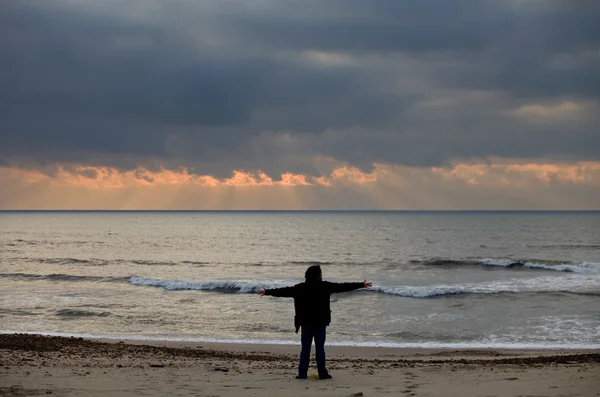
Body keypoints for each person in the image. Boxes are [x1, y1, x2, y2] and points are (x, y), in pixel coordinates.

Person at [258, 265, 372, 380]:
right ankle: (322, 374)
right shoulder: (325, 286)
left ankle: (302, 374)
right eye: (321, 274)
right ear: (317, 276)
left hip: (305, 323)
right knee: (320, 349)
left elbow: (283, 291)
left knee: (305, 349)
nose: (322, 276)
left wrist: (267, 292)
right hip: (320, 323)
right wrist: (361, 285)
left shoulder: (300, 288)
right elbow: (343, 287)